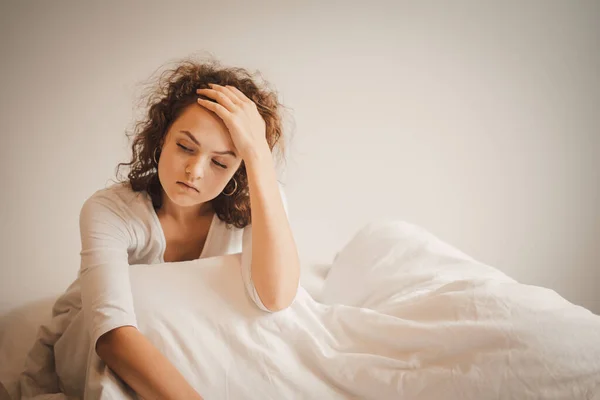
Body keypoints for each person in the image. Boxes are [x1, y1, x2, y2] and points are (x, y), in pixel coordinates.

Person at [20, 57, 300, 400]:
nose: (195, 171)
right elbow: (111, 336)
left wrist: (258, 154)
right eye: (185, 147)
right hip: (91, 343)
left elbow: (276, 297)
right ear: (162, 137)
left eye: (220, 162)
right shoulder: (109, 209)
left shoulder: (260, 199)